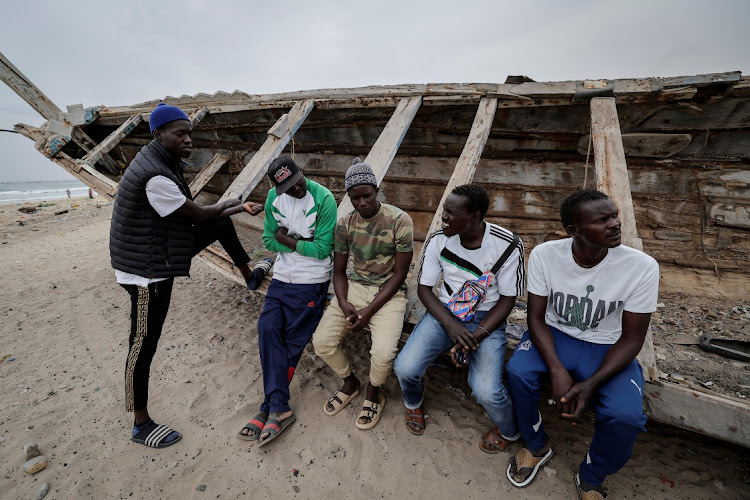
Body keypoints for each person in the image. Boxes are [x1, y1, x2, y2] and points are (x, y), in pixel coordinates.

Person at [111, 102, 261, 449]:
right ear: (158, 134)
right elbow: (199, 215)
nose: (189, 140)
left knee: (222, 221)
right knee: (143, 344)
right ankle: (140, 424)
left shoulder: (159, 160)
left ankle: (248, 274)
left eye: (190, 133)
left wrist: (235, 206)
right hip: (145, 271)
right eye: (181, 134)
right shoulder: (157, 176)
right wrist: (239, 204)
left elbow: (206, 217)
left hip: (158, 246)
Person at [505, 189, 659, 499]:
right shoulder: (546, 255)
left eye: (614, 216)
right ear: (574, 230)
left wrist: (589, 385)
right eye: (602, 220)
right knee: (518, 371)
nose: (615, 224)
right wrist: (556, 369)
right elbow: (535, 319)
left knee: (625, 416)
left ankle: (591, 475)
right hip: (556, 335)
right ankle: (536, 445)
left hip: (607, 347)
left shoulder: (641, 267)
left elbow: (632, 338)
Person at [394, 184, 524, 452]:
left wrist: (475, 336)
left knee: (486, 391)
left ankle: (510, 431)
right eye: (444, 211)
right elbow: (425, 290)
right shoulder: (439, 240)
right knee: (405, 367)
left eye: (451, 213)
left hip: (486, 320)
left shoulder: (507, 244)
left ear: (474, 217)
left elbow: (508, 300)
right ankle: (413, 403)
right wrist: (452, 327)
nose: (444, 218)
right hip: (445, 314)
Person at [237, 156, 337, 446]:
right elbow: (269, 240)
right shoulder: (273, 198)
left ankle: (271, 407)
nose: (295, 190)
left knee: (293, 341)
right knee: (267, 328)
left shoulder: (324, 199)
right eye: (288, 188)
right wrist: (290, 240)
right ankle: (277, 406)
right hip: (281, 276)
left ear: (301, 173)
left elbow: (321, 250)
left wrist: (289, 240)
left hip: (312, 280)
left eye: (297, 183)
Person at [312, 158, 413, 430]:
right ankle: (350, 382)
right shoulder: (344, 225)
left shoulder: (399, 220)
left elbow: (400, 274)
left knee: (382, 352)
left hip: (389, 292)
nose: (362, 203)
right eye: (355, 198)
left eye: (366, 195)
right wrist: (344, 303)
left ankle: (373, 391)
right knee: (321, 342)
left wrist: (369, 312)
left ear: (376, 190)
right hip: (355, 288)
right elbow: (340, 272)